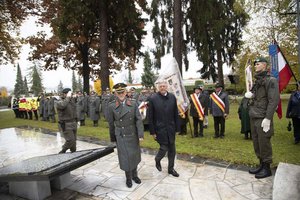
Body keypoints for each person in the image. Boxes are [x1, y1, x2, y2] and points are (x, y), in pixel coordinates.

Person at [245, 56, 280, 179]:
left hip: (263, 116)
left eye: (258, 64)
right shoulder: (257, 81)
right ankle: (261, 164)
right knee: (257, 142)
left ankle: (267, 168)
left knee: (264, 142)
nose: (255, 66)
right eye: (255, 64)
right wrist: (251, 95)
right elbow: (258, 96)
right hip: (254, 114)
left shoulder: (271, 80)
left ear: (264, 65)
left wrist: (268, 118)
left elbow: (273, 100)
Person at [107, 83, 144, 188]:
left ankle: (135, 175)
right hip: (121, 135)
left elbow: (138, 119)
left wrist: (140, 134)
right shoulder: (112, 105)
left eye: (122, 92)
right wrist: (113, 137)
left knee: (134, 155)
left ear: (126, 92)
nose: (121, 94)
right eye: (118, 93)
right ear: (115, 94)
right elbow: (111, 123)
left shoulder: (133, 103)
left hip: (132, 134)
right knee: (125, 157)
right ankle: (128, 178)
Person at [148, 80, 180, 177]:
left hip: (171, 128)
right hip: (160, 129)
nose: (162, 88)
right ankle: (157, 159)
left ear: (167, 87)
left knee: (172, 150)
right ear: (158, 87)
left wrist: (178, 128)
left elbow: (176, 113)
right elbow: (150, 116)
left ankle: (171, 169)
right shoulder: (153, 98)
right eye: (160, 86)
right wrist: (153, 132)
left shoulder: (172, 97)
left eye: (164, 86)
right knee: (164, 148)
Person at [56, 88, 78, 154]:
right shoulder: (59, 101)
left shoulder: (71, 100)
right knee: (70, 140)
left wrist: (78, 120)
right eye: (69, 94)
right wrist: (68, 98)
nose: (70, 95)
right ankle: (63, 151)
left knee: (74, 141)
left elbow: (75, 110)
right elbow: (62, 106)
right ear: (65, 94)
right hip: (65, 124)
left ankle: (73, 152)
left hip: (73, 122)